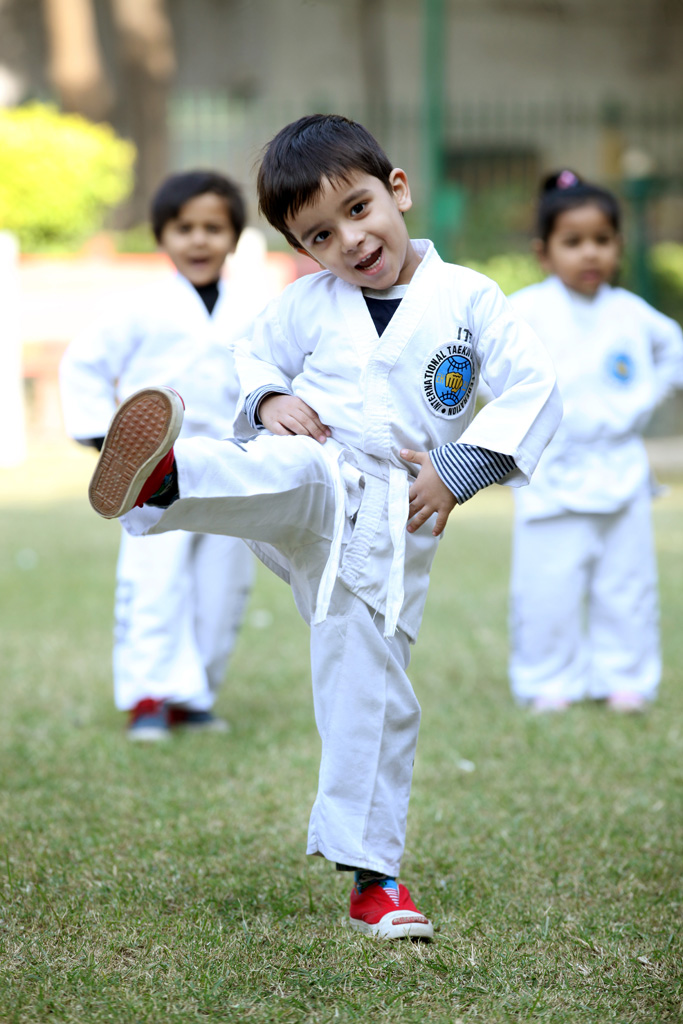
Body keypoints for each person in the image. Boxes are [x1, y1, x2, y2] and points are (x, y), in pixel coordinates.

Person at [86, 115, 562, 939]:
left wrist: (460, 469)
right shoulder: (308, 303)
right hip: (322, 466)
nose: (349, 241)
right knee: (285, 465)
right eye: (319, 235)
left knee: (368, 685)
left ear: (396, 190)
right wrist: (269, 398)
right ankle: (165, 478)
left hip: (396, 512)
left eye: (358, 209)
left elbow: (535, 385)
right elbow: (248, 355)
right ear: (300, 249)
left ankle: (374, 876)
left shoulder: (469, 298)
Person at [60, 170, 268, 740]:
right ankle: (148, 696)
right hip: (155, 469)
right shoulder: (141, 307)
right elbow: (84, 364)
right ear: (162, 236)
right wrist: (108, 444)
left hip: (230, 465)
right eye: (184, 228)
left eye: (213, 228)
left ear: (234, 237)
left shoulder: (257, 312)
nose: (199, 240)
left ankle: (194, 697)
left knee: (223, 585)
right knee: (155, 580)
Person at [507, 170, 683, 714]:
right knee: (547, 586)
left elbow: (673, 349)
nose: (590, 253)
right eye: (573, 241)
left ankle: (625, 677)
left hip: (620, 469)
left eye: (602, 240)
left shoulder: (630, 312)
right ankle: (547, 679)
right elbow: (489, 365)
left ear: (619, 246)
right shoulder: (524, 311)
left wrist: (649, 393)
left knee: (626, 585)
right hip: (550, 472)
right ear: (544, 252)